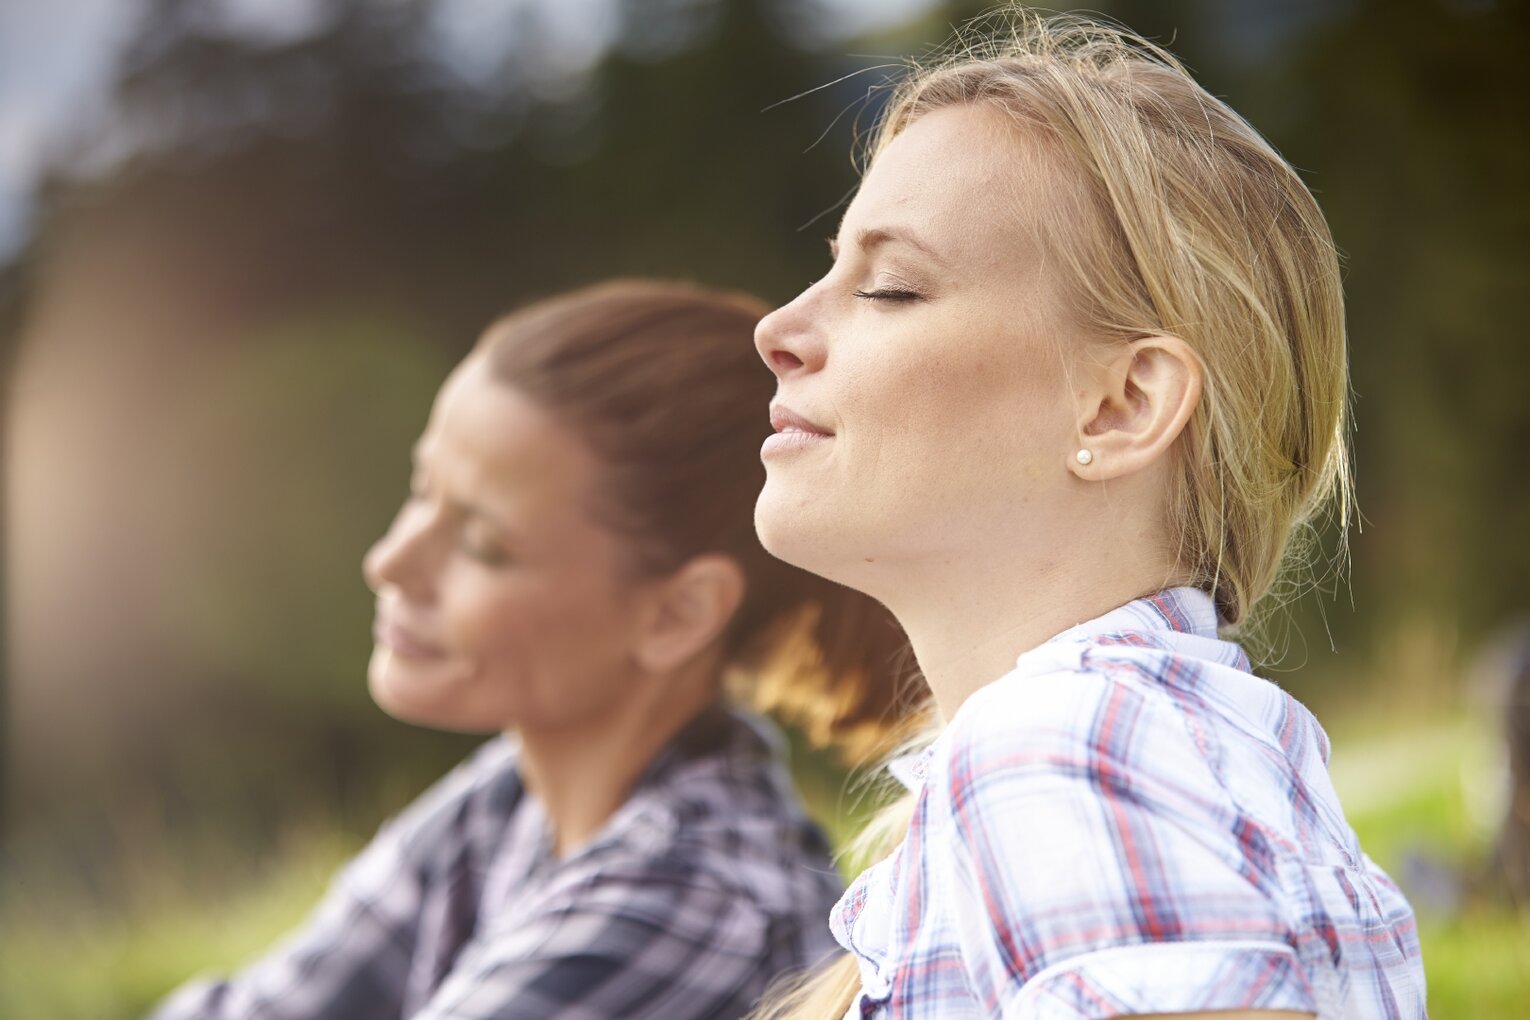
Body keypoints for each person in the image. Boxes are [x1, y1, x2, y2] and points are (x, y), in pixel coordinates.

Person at [749, 10, 1426, 1019]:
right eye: (833, 266)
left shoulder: (1064, 746)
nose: (777, 329)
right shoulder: (1175, 748)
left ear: (1123, 406)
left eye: (890, 288)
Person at [151, 279, 910, 1020]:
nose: (389, 562)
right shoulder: (508, 801)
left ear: (675, 615)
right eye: (423, 493)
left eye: (482, 543)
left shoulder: (692, 896)